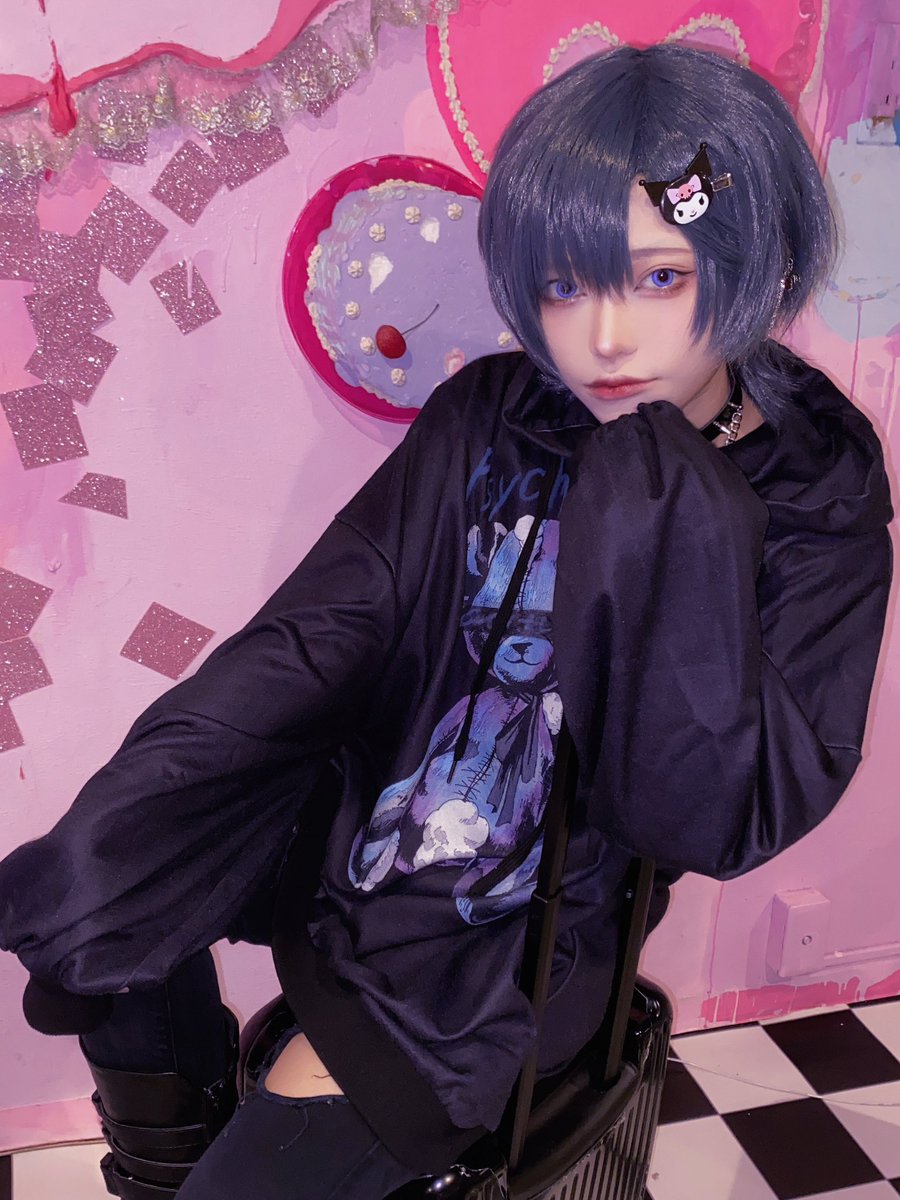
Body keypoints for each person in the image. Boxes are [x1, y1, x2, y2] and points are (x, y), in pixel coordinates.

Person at [0, 41, 893, 1200]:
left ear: (753, 260)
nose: (604, 339)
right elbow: (330, 625)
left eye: (659, 278)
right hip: (366, 810)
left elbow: (711, 814)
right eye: (566, 286)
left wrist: (668, 524)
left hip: (520, 924)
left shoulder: (811, 490)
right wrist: (162, 788)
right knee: (116, 889)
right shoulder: (495, 411)